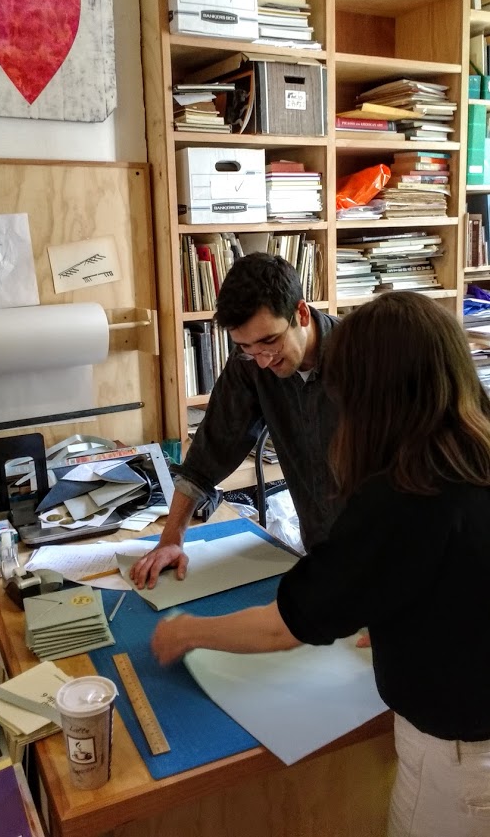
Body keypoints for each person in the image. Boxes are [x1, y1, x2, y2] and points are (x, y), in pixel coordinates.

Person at [151, 292, 490, 837]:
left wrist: (187, 631)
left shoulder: (405, 495)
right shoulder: (472, 451)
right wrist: (402, 612)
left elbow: (285, 627)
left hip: (458, 762)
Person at [132, 252, 341, 590]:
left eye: (270, 341)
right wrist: (171, 539)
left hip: (384, 557)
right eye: (246, 347)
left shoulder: (362, 357)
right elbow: (211, 450)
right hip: (321, 554)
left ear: (301, 313)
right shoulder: (251, 363)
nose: (263, 361)